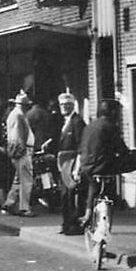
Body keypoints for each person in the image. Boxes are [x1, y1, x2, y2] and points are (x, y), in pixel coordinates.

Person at [77, 98, 136, 227]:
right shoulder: (110, 126)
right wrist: (132, 154)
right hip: (105, 166)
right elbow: (122, 151)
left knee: (94, 185)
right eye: (117, 112)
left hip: (87, 166)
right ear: (112, 112)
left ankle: (88, 214)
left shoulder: (89, 126)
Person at [55, 92, 86, 234]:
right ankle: (66, 224)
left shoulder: (77, 122)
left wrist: (77, 168)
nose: (64, 107)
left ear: (72, 106)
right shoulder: (63, 121)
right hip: (63, 163)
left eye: (67, 105)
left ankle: (74, 225)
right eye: (62, 105)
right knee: (64, 195)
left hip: (72, 162)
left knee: (71, 195)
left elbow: (81, 145)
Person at [2, 91, 36, 217]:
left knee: (18, 180)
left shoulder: (14, 114)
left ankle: (9, 203)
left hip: (18, 150)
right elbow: (19, 135)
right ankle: (24, 208)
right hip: (23, 151)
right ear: (24, 105)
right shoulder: (19, 115)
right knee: (26, 179)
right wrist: (23, 149)